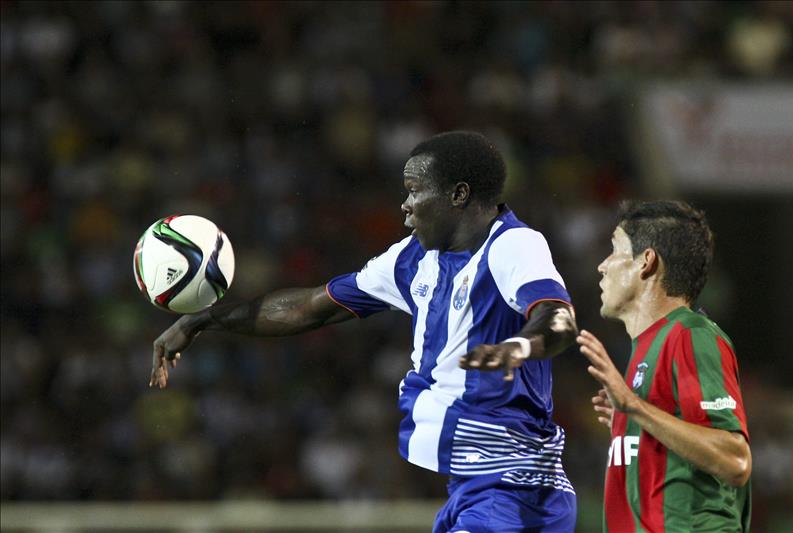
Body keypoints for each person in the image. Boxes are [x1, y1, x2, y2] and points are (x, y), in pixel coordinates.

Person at [150, 131, 578, 532]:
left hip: (516, 488)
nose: (405, 205)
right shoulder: (412, 260)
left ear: (458, 194)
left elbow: (558, 317)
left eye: (414, 191)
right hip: (473, 488)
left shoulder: (511, 245)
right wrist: (204, 319)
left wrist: (520, 346)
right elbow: (308, 308)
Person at [576, 200, 751, 532]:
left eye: (614, 251)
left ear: (646, 262)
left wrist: (633, 407)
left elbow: (735, 460)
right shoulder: (647, 349)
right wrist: (637, 425)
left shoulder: (690, 335)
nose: (602, 266)